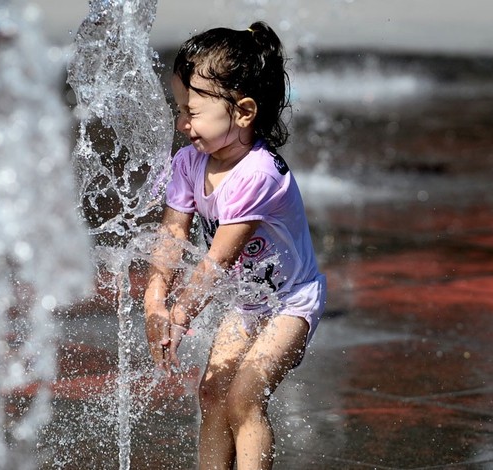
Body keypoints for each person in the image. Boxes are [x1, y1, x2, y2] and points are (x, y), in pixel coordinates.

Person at [143, 21, 327, 470]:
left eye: (192, 110)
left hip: (290, 303)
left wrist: (181, 314)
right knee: (212, 393)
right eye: (179, 108)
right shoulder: (189, 162)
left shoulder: (258, 175)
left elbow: (218, 259)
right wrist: (154, 294)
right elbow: (172, 234)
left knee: (244, 396)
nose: (182, 122)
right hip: (248, 303)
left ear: (243, 112)